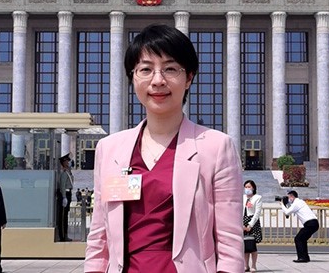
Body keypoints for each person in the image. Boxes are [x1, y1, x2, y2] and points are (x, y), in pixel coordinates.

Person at [84, 24, 244, 273]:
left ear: (189, 77)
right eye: (146, 69)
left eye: (170, 69)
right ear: (133, 77)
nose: (158, 81)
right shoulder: (110, 149)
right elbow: (99, 238)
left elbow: (230, 244)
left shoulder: (216, 147)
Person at [280, 190, 319, 263]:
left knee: (298, 239)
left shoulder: (297, 203)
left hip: (310, 223)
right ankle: (305, 257)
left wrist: (282, 204)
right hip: (313, 223)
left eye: (288, 197)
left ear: (292, 196)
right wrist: (285, 204)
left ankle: (302, 257)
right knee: (302, 239)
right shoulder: (299, 202)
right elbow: (289, 211)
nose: (288, 199)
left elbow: (287, 212)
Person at [243, 180, 262, 272]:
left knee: (252, 245)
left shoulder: (257, 198)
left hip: (252, 222)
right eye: (246, 187)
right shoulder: (242, 197)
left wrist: (250, 225)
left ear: (253, 188)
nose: (247, 189)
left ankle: (253, 265)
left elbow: (257, 213)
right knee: (245, 246)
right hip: (243, 222)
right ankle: (246, 265)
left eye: (249, 187)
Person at [56, 153, 74, 242]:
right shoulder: (64, 173)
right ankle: (63, 235)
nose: (68, 162)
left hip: (68, 193)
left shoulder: (68, 172)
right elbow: (62, 185)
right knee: (63, 216)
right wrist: (64, 196)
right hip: (65, 194)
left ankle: (65, 234)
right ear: (64, 162)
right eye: (67, 161)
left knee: (65, 215)